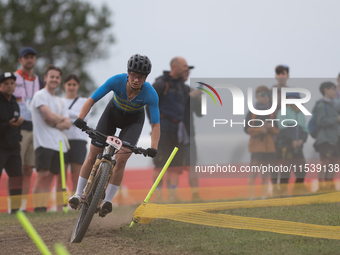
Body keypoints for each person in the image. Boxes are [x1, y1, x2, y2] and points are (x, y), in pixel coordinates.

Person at [68, 54, 160, 217]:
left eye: (140, 77)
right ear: (128, 73)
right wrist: (80, 119)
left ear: (145, 78)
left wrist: (153, 147)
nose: (136, 80)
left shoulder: (151, 94)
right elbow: (92, 100)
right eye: (133, 75)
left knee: (122, 159)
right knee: (93, 154)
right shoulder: (116, 80)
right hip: (112, 114)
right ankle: (77, 194)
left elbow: (155, 124)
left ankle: (107, 201)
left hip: (133, 121)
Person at [150, 57, 199, 202]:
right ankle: (158, 197)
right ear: (174, 66)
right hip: (163, 130)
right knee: (160, 165)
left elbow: (196, 112)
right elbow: (149, 105)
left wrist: (197, 99)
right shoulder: (160, 84)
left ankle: (173, 198)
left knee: (175, 166)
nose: (186, 69)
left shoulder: (183, 88)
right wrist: (154, 126)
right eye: (184, 66)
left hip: (178, 133)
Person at [31, 65, 71, 212]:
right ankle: (38, 209)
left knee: (50, 178)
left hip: (59, 144)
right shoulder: (40, 95)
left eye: (57, 77)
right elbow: (47, 116)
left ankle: (43, 208)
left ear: (60, 80)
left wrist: (55, 120)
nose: (54, 79)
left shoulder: (60, 101)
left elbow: (67, 124)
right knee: (42, 176)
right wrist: (59, 119)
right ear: (45, 78)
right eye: (51, 76)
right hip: (43, 142)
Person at [13, 47, 43, 211]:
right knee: (16, 167)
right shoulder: (14, 78)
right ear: (21, 60)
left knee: (28, 168)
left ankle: (23, 205)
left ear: (35, 60)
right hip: (18, 129)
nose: (29, 60)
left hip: (35, 129)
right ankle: (14, 205)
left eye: (32, 57)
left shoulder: (40, 81)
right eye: (26, 57)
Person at [244, 86, 278, 200]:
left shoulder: (272, 112)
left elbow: (277, 130)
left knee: (265, 173)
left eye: (268, 95)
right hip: (256, 148)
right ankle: (251, 197)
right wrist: (261, 129)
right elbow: (247, 129)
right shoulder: (252, 113)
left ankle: (264, 196)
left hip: (269, 148)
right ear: (257, 96)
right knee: (253, 173)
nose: (266, 98)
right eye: (263, 95)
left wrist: (270, 127)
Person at [0, 72, 24, 213]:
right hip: (1, 147)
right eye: (6, 83)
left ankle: (15, 211)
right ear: (1, 86)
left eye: (11, 83)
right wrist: (8, 125)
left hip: (14, 147)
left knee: (17, 178)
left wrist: (19, 137)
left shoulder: (14, 101)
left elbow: (17, 123)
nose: (9, 86)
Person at [277, 92, 309, 196]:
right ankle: (282, 193)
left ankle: (297, 192)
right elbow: (282, 128)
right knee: (285, 170)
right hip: (286, 146)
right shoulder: (283, 111)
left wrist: (301, 140)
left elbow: (305, 129)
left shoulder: (300, 113)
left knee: (302, 170)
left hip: (298, 147)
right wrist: (292, 141)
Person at [62, 74, 90, 192]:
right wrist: (76, 115)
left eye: (74, 84)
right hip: (62, 140)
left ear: (78, 86)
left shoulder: (85, 101)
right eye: (69, 84)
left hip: (78, 140)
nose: (71, 87)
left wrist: (65, 114)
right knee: (61, 177)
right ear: (64, 86)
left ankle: (76, 202)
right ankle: (60, 206)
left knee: (76, 175)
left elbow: (84, 118)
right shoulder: (59, 101)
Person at [312, 82, 339, 191]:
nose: (335, 91)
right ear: (326, 90)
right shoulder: (320, 105)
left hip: (335, 139)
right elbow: (320, 121)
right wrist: (336, 120)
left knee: (335, 162)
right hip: (325, 139)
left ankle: (329, 186)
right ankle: (320, 187)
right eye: (333, 89)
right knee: (325, 162)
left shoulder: (335, 105)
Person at [271, 65, 290, 196]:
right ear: (276, 76)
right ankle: (274, 189)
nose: (281, 76)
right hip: (273, 133)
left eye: (284, 74)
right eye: (279, 74)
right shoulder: (270, 92)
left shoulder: (293, 93)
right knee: (273, 162)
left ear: (287, 76)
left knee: (286, 161)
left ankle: (283, 191)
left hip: (287, 133)